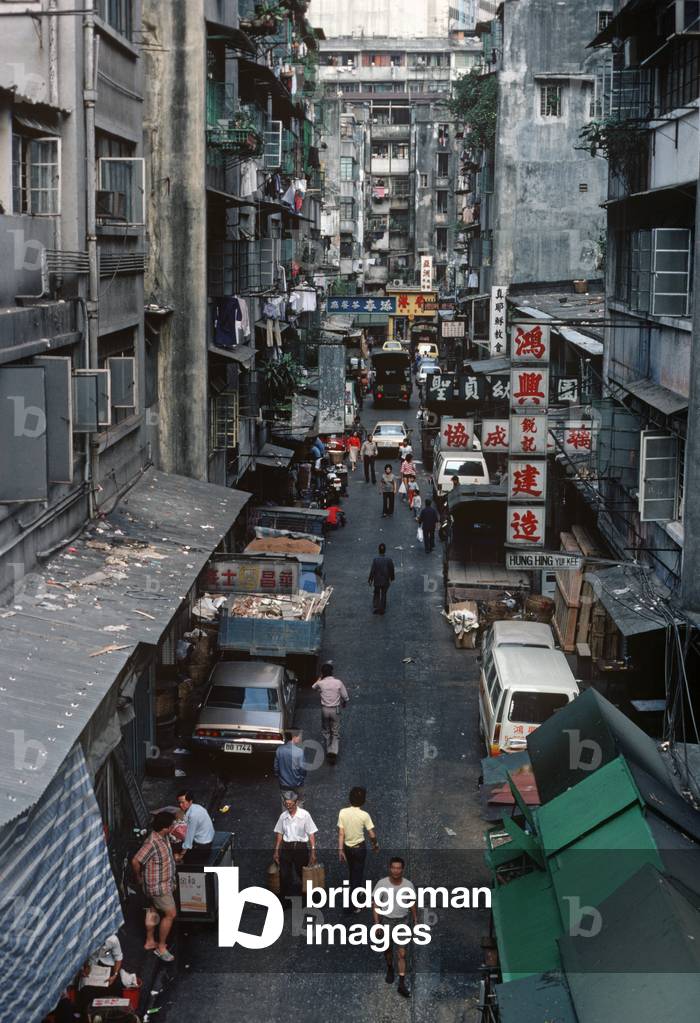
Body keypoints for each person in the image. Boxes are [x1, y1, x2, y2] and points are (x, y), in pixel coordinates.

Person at [131, 811, 177, 962]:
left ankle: (150, 941)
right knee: (170, 914)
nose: (173, 827)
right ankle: (161, 947)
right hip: (158, 887)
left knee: (152, 910)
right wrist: (138, 877)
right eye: (171, 825)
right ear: (164, 828)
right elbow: (135, 861)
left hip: (157, 885)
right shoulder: (152, 842)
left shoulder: (163, 837)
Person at [373, 857, 417, 998]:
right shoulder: (382, 884)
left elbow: (412, 902)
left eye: (399, 868)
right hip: (387, 920)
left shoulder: (408, 885)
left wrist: (415, 919)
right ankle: (390, 968)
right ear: (390, 868)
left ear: (402, 869)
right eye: (394, 868)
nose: (396, 871)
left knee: (402, 953)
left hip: (403, 921)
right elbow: (376, 904)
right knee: (387, 949)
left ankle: (401, 983)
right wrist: (377, 924)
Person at [338, 787, 379, 913]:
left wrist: (340, 850)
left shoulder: (342, 812)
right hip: (359, 849)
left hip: (347, 847)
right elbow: (371, 834)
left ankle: (356, 891)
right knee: (358, 874)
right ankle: (353, 905)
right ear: (363, 801)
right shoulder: (364, 815)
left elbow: (341, 833)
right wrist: (375, 844)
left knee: (352, 871)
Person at [273, 793, 318, 902]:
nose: (288, 807)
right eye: (286, 804)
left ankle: (308, 899)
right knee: (284, 875)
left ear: (296, 803)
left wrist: (313, 852)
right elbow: (279, 833)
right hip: (286, 848)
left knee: (303, 874)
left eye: (291, 804)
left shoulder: (305, 815)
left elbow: (311, 834)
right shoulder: (283, 816)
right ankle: (284, 901)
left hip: (300, 848)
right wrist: (276, 851)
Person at [312, 661, 349, 763]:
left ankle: (328, 749)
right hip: (336, 709)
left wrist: (320, 678)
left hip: (325, 709)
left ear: (323, 673)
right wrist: (344, 703)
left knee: (326, 730)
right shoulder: (338, 682)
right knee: (335, 730)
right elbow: (345, 697)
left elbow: (313, 687)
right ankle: (334, 751)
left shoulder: (321, 683)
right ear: (332, 672)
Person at [77, 934, 123, 1011]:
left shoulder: (113, 939)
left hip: (107, 963)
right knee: (86, 989)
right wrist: (84, 967)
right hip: (91, 963)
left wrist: (115, 974)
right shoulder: (85, 939)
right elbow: (80, 957)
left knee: (116, 985)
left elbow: (118, 958)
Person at [174, 791, 215, 864]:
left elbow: (188, 842)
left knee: (175, 850)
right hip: (208, 837)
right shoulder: (197, 807)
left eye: (183, 802)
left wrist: (181, 855)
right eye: (179, 802)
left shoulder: (193, 816)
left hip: (202, 846)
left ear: (190, 801)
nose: (180, 805)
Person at [273, 731, 307, 804]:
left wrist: (280, 778)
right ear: (293, 738)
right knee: (299, 803)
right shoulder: (299, 751)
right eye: (298, 736)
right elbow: (303, 769)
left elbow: (276, 768)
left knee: (286, 805)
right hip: (297, 783)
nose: (299, 738)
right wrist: (300, 780)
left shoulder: (279, 750)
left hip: (284, 784)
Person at [368, 542, 395, 615]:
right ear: (385, 550)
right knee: (384, 594)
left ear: (378, 550)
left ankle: (377, 606)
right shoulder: (389, 560)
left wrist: (370, 579)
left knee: (376, 593)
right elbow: (391, 569)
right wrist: (392, 578)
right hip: (385, 580)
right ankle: (382, 609)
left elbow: (372, 570)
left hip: (377, 580)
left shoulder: (375, 560)